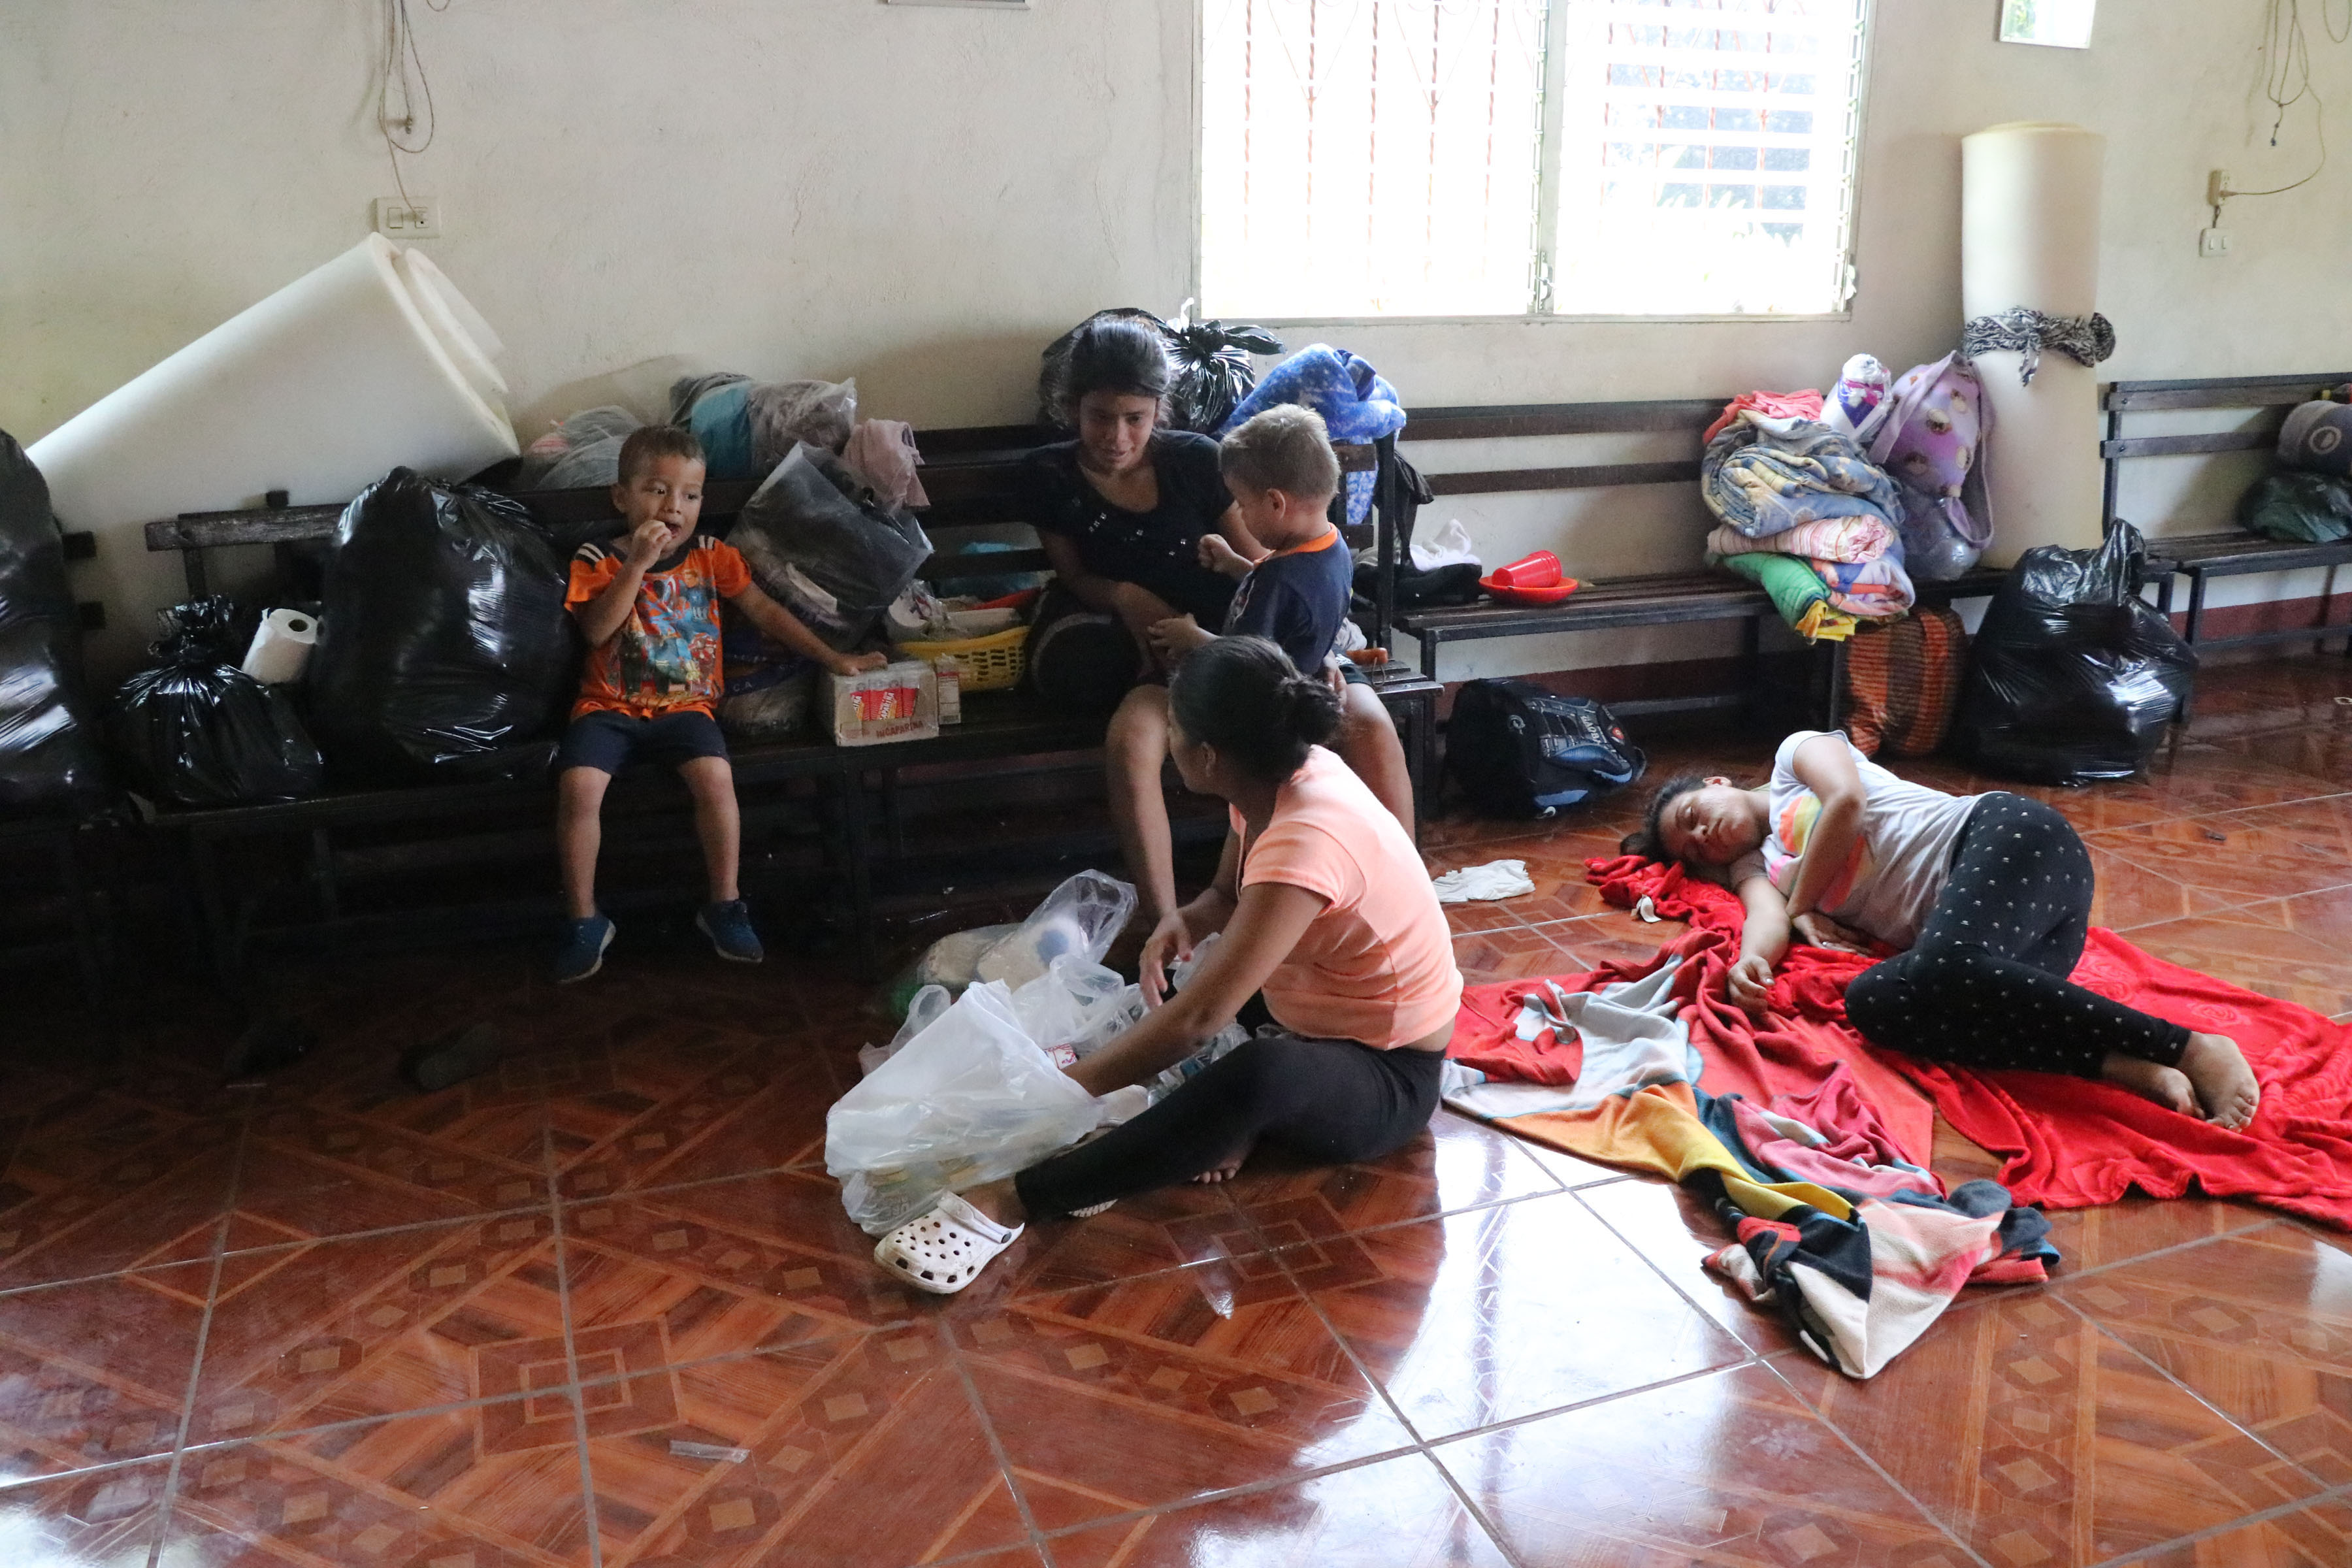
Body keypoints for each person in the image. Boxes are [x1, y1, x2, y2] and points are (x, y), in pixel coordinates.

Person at [872, 637, 1462, 1295]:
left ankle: (1011, 1201)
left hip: (1391, 1072)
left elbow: (1197, 1023)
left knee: (1254, 1070)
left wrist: (1058, 1098)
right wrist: (1187, 920)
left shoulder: (1308, 834)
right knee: (1176, 988)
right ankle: (1217, 1126)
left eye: (1175, 727)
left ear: (1206, 756)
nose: (1170, 737)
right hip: (1312, 1007)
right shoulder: (1273, 779)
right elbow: (1227, 897)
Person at [1622, 729, 2261, 1130]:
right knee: (1875, 1005)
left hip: (2009, 841)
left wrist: (1801, 906)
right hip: (2010, 956)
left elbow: (1846, 803)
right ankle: (2110, 1061)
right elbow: (1765, 919)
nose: (1704, 835)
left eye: (1694, 815)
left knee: (1942, 968)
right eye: (1694, 847)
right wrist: (1750, 966)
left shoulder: (1794, 755)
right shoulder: (1752, 866)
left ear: (1716, 784)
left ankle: (2189, 1046)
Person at [552, 425, 885, 983]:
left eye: (689, 494)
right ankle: (584, 919)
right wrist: (635, 563)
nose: (673, 506)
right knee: (579, 788)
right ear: (622, 497)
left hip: (688, 709)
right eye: (656, 490)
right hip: (607, 706)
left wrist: (834, 658)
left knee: (716, 782)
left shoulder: (712, 556)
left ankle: (725, 904)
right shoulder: (597, 558)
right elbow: (596, 631)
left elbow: (768, 614)